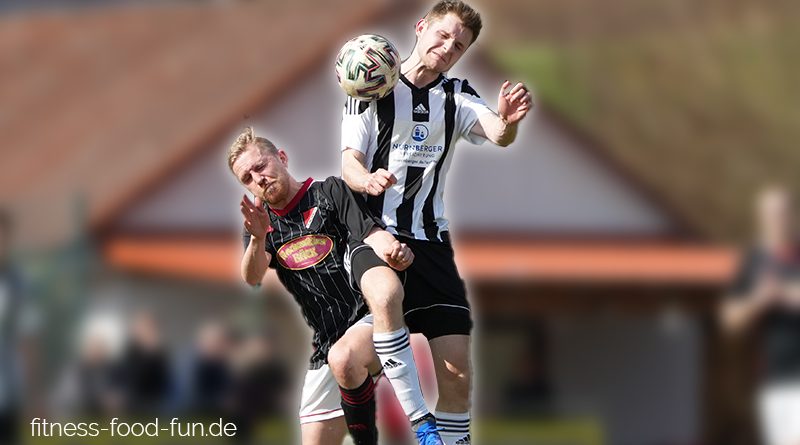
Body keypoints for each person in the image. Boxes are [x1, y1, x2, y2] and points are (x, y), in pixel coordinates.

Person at [340, 1, 532, 443]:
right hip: (376, 234)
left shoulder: (458, 94)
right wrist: (368, 179)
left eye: (459, 45)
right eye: (443, 35)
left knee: (457, 375)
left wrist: (507, 119)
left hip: (432, 243)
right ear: (421, 26)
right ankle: (418, 422)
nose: (448, 48)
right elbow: (349, 162)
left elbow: (498, 133)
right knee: (381, 300)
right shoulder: (370, 87)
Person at [229, 127, 443, 444]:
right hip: (326, 343)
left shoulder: (329, 192)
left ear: (282, 158)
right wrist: (259, 238)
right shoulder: (261, 227)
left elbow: (370, 233)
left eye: (260, 166)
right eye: (247, 177)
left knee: (344, 357)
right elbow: (253, 276)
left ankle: (414, 424)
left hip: (368, 321)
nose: (257, 178)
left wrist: (393, 250)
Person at [721, 186, 800, 445]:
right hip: (774, 379)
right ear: (761, 217)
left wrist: (785, 294)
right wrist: (758, 300)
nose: (777, 219)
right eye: (770, 214)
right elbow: (730, 319)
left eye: (782, 212)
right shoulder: (752, 260)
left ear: (792, 215)